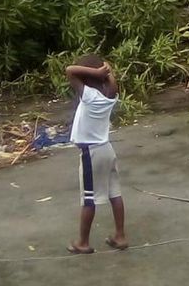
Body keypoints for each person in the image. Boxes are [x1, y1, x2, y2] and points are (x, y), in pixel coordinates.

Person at [65, 55, 127, 254]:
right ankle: (120, 235)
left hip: (92, 153)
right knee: (114, 193)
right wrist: (107, 71)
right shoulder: (110, 95)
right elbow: (111, 81)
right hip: (106, 149)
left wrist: (98, 71)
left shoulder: (90, 96)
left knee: (89, 199)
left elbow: (70, 70)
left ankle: (83, 242)